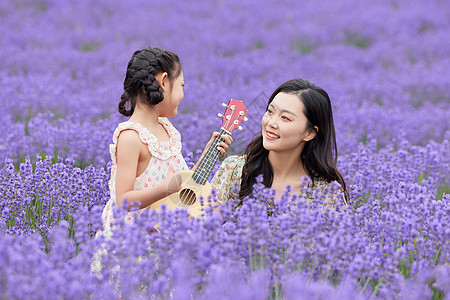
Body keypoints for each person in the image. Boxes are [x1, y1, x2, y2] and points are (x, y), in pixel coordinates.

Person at [100, 47, 232, 238]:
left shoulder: (166, 128)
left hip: (165, 232)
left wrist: (208, 153)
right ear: (163, 82)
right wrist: (163, 190)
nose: (183, 94)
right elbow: (123, 200)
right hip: (133, 239)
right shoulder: (131, 137)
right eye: (181, 86)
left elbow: (181, 187)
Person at [211, 78, 349, 208]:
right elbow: (198, 220)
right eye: (270, 111)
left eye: (285, 118)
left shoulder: (327, 194)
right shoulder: (234, 170)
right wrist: (204, 161)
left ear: (309, 133)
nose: (271, 123)